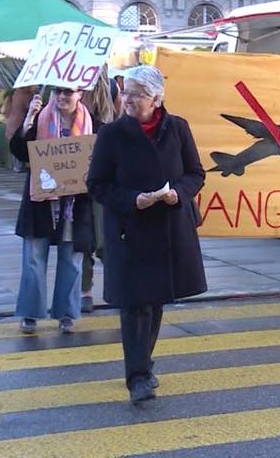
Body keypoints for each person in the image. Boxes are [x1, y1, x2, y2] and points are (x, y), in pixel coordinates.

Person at [87, 65, 207, 404]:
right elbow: (97, 185)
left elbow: (196, 174)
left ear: (155, 98)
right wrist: (131, 200)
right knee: (134, 304)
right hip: (130, 230)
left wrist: (178, 194)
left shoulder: (178, 128)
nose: (127, 99)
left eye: (136, 94)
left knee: (153, 303)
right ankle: (137, 376)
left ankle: (145, 364)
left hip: (169, 227)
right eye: (125, 92)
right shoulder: (112, 134)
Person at [10, 86, 98, 335]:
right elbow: (18, 151)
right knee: (33, 259)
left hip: (74, 205)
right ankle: (30, 313)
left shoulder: (94, 125)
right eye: (58, 92)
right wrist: (27, 122)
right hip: (40, 203)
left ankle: (67, 313)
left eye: (68, 92)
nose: (62, 97)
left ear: (80, 93)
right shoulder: (39, 118)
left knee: (71, 260)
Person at [78, 74, 118, 313]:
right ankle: (86, 291)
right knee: (87, 238)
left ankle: (93, 290)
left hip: (99, 177)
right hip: (78, 176)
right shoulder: (69, 85)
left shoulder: (110, 86)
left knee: (101, 238)